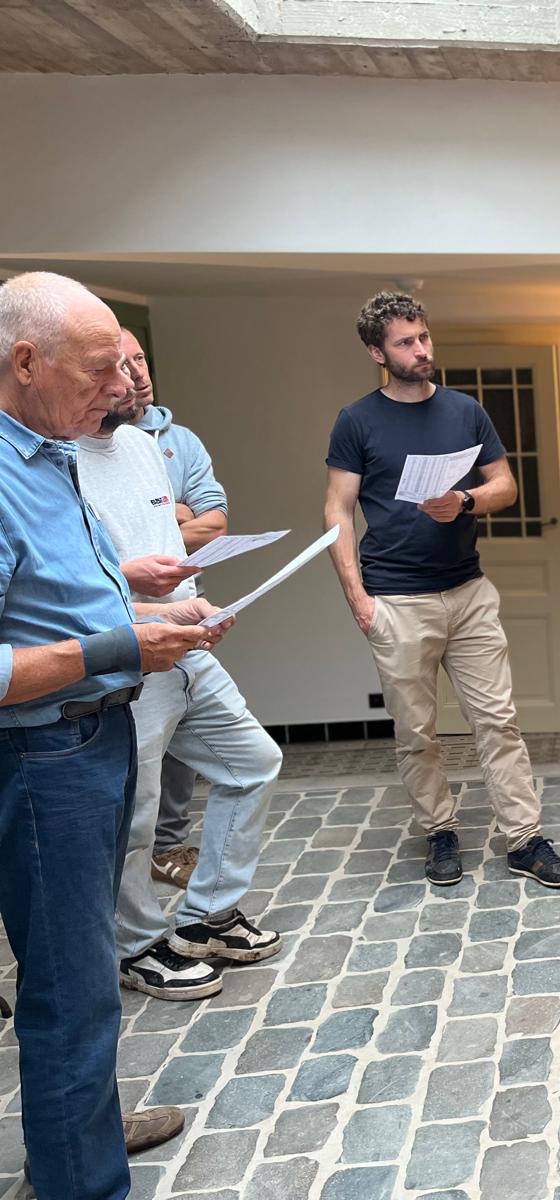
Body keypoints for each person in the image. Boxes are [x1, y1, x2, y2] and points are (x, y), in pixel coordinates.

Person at [0, 272, 222, 1198]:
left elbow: (43, 598)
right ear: (25, 361)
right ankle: (82, 1178)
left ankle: (82, 1139)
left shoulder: (49, 454)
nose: (122, 386)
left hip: (90, 741)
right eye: (99, 369)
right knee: (72, 994)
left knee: (81, 982)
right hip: (43, 759)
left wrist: (144, 603)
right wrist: (121, 643)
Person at [325, 291, 560, 889]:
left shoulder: (466, 411)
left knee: (499, 722)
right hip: (396, 600)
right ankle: (439, 831)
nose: (421, 350)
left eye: (424, 337)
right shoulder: (356, 420)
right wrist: (358, 599)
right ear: (377, 353)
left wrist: (465, 499)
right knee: (417, 733)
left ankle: (524, 839)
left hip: (468, 592)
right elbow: (337, 510)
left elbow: (505, 486)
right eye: (405, 343)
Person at [77, 386, 283, 1001]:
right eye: (109, 367)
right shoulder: (56, 457)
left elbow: (173, 539)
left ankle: (206, 919)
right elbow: (69, 584)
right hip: (128, 653)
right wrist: (137, 590)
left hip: (186, 644)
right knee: (135, 813)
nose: (127, 380)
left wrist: (191, 608)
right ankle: (135, 947)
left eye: (133, 363)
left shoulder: (146, 446)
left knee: (253, 763)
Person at [122, 326, 230, 890]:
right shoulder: (78, 446)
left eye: (140, 358)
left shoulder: (177, 441)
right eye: (121, 362)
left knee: (194, 744)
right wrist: (177, 516)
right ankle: (134, 886)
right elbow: (103, 543)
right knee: (140, 759)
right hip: (119, 620)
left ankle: (170, 847)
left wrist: (168, 524)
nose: (136, 372)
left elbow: (216, 522)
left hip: (186, 608)